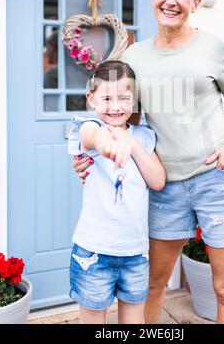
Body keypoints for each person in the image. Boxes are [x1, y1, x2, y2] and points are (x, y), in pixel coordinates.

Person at [73, 0, 224, 324]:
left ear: (196, 1)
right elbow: (120, 121)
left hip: (219, 180)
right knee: (151, 283)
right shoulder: (134, 57)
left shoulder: (216, 48)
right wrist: (90, 152)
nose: (171, 0)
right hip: (163, 189)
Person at [68, 60, 166, 324]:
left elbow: (157, 180)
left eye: (124, 98)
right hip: (94, 252)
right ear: (91, 99)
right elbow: (93, 137)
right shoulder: (87, 126)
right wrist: (109, 146)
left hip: (135, 251)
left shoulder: (143, 137)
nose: (115, 106)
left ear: (133, 100)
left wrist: (130, 143)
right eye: (107, 97)